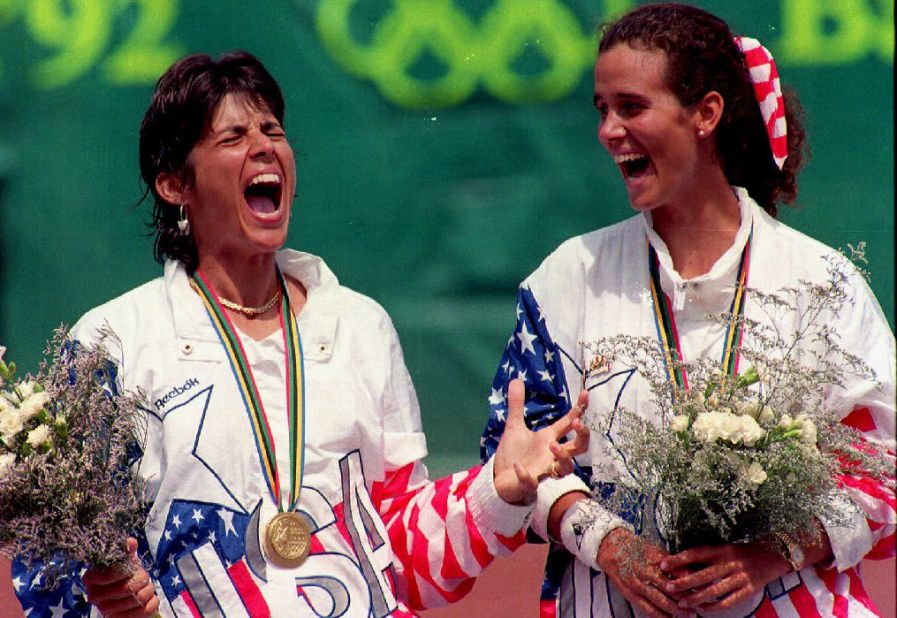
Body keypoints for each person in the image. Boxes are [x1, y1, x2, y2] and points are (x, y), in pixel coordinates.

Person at [12, 51, 589, 617]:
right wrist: (106, 598)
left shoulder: (361, 327)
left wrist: (498, 489)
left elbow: (402, 561)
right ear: (174, 185)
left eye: (272, 129)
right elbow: (52, 563)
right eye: (233, 136)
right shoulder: (112, 342)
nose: (265, 145)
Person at [481, 3, 895, 617]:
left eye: (631, 107)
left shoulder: (819, 282)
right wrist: (610, 543)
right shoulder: (570, 277)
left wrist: (773, 552)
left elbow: (883, 467)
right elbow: (511, 452)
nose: (608, 131)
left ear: (705, 114)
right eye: (602, 110)